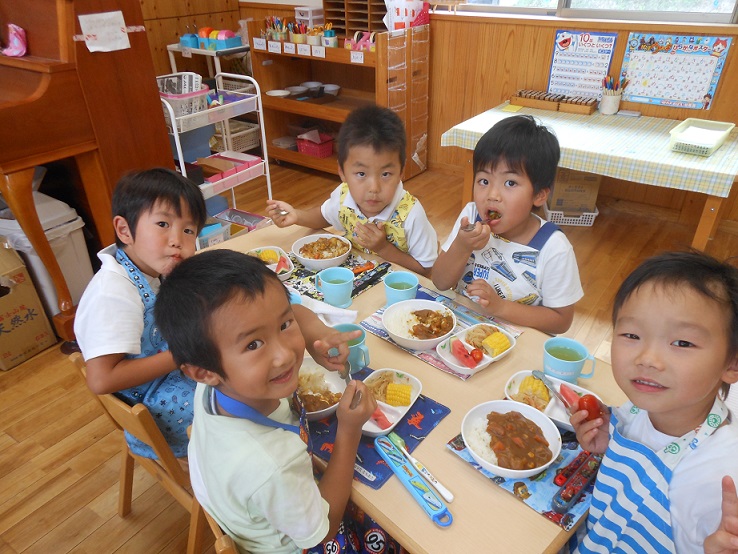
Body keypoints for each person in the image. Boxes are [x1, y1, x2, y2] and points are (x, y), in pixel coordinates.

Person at [75, 169, 353, 461]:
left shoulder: (159, 268)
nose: (177, 241)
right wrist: (189, 352)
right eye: (162, 224)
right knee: (254, 389)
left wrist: (314, 330)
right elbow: (101, 380)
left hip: (182, 368)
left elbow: (276, 306)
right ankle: (271, 468)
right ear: (124, 230)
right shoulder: (113, 293)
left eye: (188, 230)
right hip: (163, 407)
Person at [155, 250, 377, 553]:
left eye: (284, 326)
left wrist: (316, 338)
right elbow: (324, 531)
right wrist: (349, 431)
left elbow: (293, 311)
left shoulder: (210, 387)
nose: (285, 355)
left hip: (254, 504)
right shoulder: (274, 465)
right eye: (253, 344)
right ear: (202, 371)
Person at [570, 251, 738, 553]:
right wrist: (608, 443)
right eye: (631, 334)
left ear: (732, 363)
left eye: (682, 343)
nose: (647, 359)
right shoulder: (637, 410)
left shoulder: (723, 478)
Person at [432, 115, 582, 334]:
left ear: (539, 195)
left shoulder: (554, 248)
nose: (492, 195)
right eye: (484, 181)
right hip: (461, 330)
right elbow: (440, 281)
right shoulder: (471, 216)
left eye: (510, 183)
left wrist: (501, 307)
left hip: (518, 345)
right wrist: (462, 247)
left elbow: (561, 320)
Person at [266, 105, 438, 277]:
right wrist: (297, 216)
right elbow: (324, 216)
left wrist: (383, 248)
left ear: (401, 172)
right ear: (342, 172)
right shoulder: (344, 196)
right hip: (356, 281)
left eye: (386, 174)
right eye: (361, 174)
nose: (374, 188)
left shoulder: (411, 215)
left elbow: (427, 271)